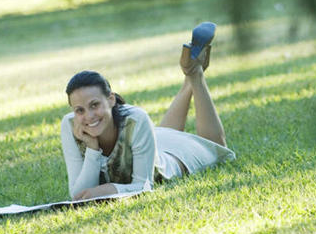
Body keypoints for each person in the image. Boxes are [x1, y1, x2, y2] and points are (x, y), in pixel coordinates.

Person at [60, 22, 235, 200]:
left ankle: (195, 73)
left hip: (169, 161)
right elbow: (79, 195)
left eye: (94, 105)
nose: (88, 116)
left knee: (216, 147)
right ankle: (191, 69)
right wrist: (92, 149)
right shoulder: (70, 125)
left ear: (111, 99)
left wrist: (110, 189)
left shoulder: (136, 119)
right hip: (155, 140)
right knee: (166, 134)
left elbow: (144, 186)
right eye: (79, 110)